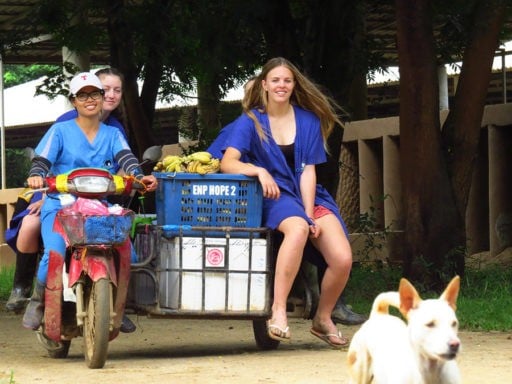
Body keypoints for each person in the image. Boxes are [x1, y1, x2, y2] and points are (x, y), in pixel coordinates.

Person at [209, 76, 366, 326]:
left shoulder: (305, 121)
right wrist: (256, 170)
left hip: (304, 198)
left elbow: (308, 171)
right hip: (269, 199)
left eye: (286, 81)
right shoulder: (243, 125)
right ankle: (280, 309)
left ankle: (330, 309)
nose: (278, 88)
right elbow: (214, 162)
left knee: (338, 253)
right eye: (272, 83)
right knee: (297, 229)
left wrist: (309, 211)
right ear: (263, 89)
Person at [21, 72, 158, 331]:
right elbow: (41, 161)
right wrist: (36, 176)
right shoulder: (60, 131)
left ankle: (117, 304)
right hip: (60, 204)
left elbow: (127, 160)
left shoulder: (112, 134)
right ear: (74, 101)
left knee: (127, 250)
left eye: (94, 93)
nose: (89, 100)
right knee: (54, 254)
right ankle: (38, 300)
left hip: (98, 206)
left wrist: (139, 177)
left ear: (102, 97)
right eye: (82, 95)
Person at [4, 190, 43, 312]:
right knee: (29, 225)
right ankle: (21, 287)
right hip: (53, 191)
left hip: (92, 193)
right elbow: (39, 171)